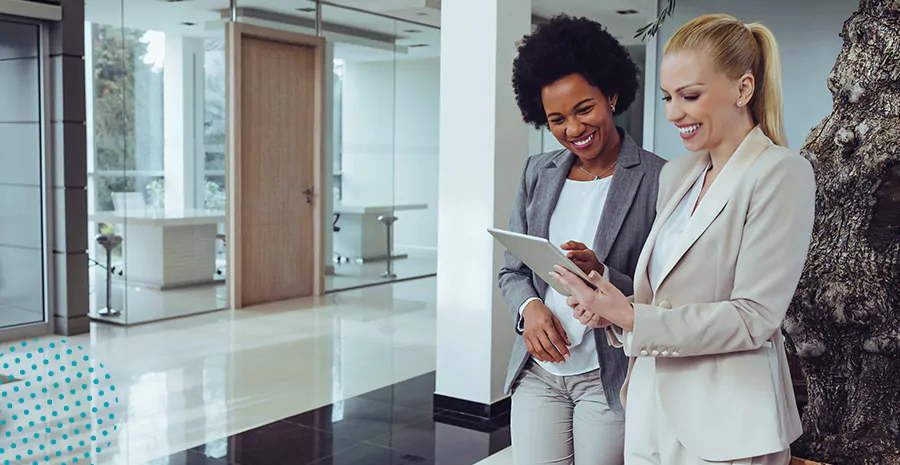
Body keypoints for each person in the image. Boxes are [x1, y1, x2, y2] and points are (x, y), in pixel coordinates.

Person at [550, 14, 815, 465]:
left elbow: (753, 318)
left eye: (690, 96)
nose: (674, 112)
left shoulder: (780, 173)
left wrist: (632, 316)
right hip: (650, 410)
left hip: (727, 425)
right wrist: (610, 307)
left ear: (743, 89)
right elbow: (667, 297)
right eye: (668, 97)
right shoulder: (677, 175)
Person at [499, 14, 666, 465]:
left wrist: (603, 275)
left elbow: (667, 294)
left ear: (611, 95)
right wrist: (529, 309)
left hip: (608, 376)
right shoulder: (538, 173)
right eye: (556, 119)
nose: (573, 128)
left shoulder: (659, 178)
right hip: (540, 371)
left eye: (583, 109)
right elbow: (512, 270)